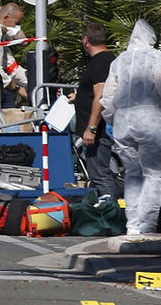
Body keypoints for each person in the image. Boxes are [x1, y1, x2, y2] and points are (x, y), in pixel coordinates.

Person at [100, 19, 161, 235]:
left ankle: (132, 224)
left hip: (122, 122)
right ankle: (147, 223)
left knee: (132, 173)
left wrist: (111, 119)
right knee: (154, 173)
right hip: (149, 120)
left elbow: (108, 96)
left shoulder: (119, 61)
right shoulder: (156, 57)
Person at [67, 22, 116, 199]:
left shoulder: (99, 62)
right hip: (100, 129)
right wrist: (78, 96)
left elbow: (101, 95)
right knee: (98, 174)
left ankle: (110, 215)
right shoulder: (109, 60)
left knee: (99, 175)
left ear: (85, 40)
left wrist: (91, 128)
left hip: (99, 131)